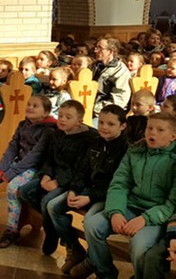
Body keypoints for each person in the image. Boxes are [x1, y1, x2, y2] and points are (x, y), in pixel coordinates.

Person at [70, 113, 176, 279]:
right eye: (149, 128)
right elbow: (119, 184)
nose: (152, 133)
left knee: (139, 245)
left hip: (159, 215)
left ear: (173, 136)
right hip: (132, 205)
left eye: (160, 130)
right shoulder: (136, 151)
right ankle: (106, 272)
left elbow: (173, 203)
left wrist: (145, 219)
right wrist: (116, 212)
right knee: (92, 225)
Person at [0, 95, 56, 249]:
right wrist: (2, 168)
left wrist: (10, 174)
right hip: (19, 163)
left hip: (35, 168)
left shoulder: (48, 131)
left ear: (45, 112)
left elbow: (35, 156)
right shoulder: (23, 124)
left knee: (13, 187)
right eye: (29, 104)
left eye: (35, 106)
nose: (30, 107)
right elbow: (12, 147)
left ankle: (12, 230)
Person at [52, 105, 129, 275]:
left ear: (122, 126)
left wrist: (89, 198)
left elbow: (117, 183)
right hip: (88, 189)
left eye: (110, 124)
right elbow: (83, 169)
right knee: (53, 207)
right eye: (101, 122)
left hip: (106, 195)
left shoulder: (125, 149)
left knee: (89, 221)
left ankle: (99, 265)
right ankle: (74, 248)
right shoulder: (96, 141)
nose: (104, 127)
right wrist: (74, 190)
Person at [19, 100, 98, 255]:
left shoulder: (87, 140)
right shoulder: (57, 134)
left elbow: (80, 170)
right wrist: (46, 175)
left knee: (47, 202)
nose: (62, 119)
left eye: (68, 117)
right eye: (60, 115)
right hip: (53, 175)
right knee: (24, 191)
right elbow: (49, 158)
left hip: (70, 181)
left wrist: (57, 182)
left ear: (79, 121)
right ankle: (53, 227)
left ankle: (51, 233)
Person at [92, 37, 132, 118]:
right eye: (96, 47)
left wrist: (95, 109)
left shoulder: (120, 71)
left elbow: (119, 99)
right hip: (89, 108)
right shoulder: (94, 66)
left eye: (100, 48)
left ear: (110, 51)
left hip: (107, 114)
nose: (95, 51)